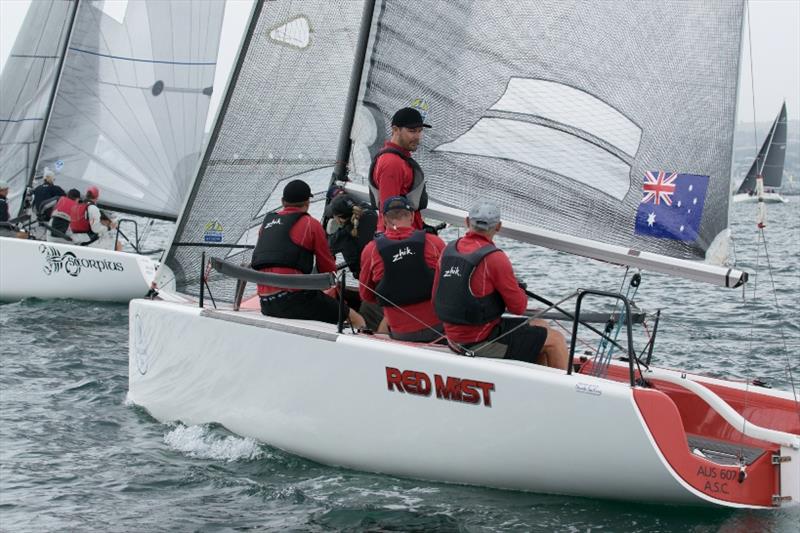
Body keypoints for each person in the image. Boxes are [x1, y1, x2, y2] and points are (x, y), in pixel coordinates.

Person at [432, 200, 569, 370]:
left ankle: (535, 383)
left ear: (467, 222)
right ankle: (561, 394)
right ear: (498, 227)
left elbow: (435, 296)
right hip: (478, 342)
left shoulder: (448, 250)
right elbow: (518, 307)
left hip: (453, 338)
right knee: (556, 341)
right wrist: (517, 289)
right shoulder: (495, 258)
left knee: (541, 325)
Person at [252, 179, 365, 328]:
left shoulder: (266, 224)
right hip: (295, 299)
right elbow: (327, 270)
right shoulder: (311, 224)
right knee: (356, 320)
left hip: (265, 302)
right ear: (307, 203)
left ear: (282, 201)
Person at [360, 195, 446, 342]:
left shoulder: (371, 250)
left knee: (368, 310)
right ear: (412, 216)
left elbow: (367, 295)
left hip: (401, 332)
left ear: (384, 219)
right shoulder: (434, 243)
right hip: (439, 328)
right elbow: (450, 283)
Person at [368, 107, 432, 232]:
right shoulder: (392, 163)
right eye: (412, 131)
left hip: (407, 233)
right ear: (395, 130)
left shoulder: (399, 158)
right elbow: (390, 211)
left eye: (420, 131)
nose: (417, 136)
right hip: (399, 237)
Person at [326, 192, 378, 279]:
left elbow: (327, 246)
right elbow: (362, 206)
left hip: (365, 275)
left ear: (339, 218)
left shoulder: (341, 237)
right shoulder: (371, 213)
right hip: (380, 264)